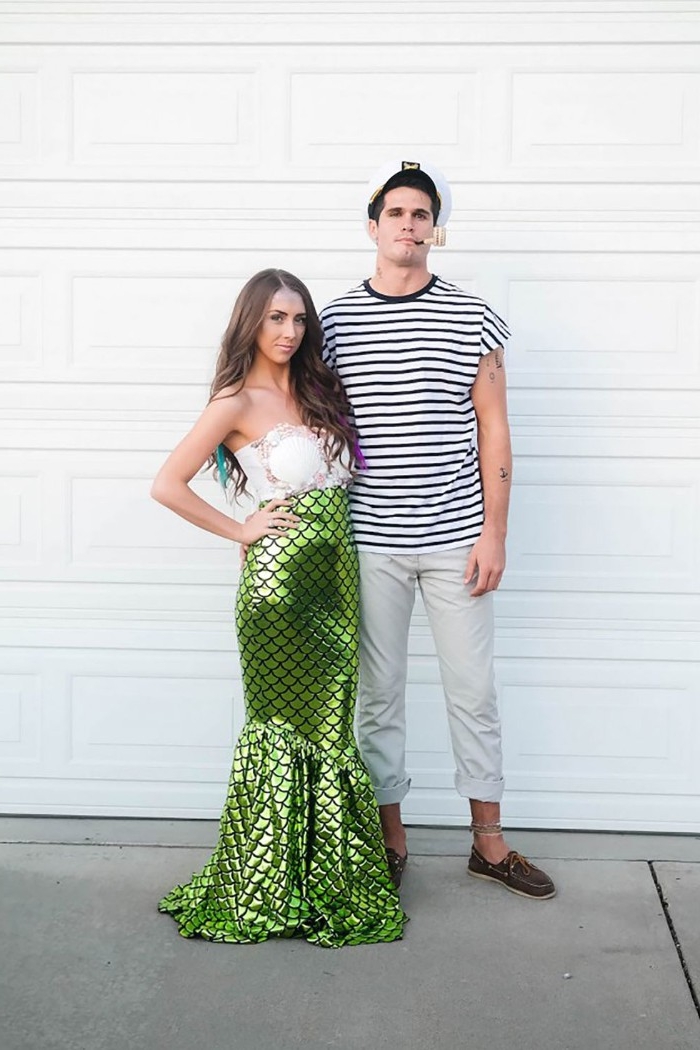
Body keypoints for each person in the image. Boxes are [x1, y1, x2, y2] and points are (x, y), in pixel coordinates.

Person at [320, 160, 556, 900]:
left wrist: (496, 533)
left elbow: (495, 431)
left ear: (435, 230)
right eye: (396, 213)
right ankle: (392, 840)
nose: (409, 225)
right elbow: (308, 422)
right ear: (373, 225)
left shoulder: (472, 315)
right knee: (379, 695)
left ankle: (489, 842)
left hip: (456, 537)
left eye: (422, 214)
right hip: (370, 540)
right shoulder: (332, 321)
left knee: (471, 690)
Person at [151, 268, 406, 946]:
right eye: (276, 319)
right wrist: (241, 530)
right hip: (280, 592)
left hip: (338, 583)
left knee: (332, 728)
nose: (289, 332)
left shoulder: (321, 390)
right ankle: (263, 880)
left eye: (298, 319)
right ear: (252, 324)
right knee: (284, 728)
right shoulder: (236, 400)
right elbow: (167, 484)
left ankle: (327, 878)